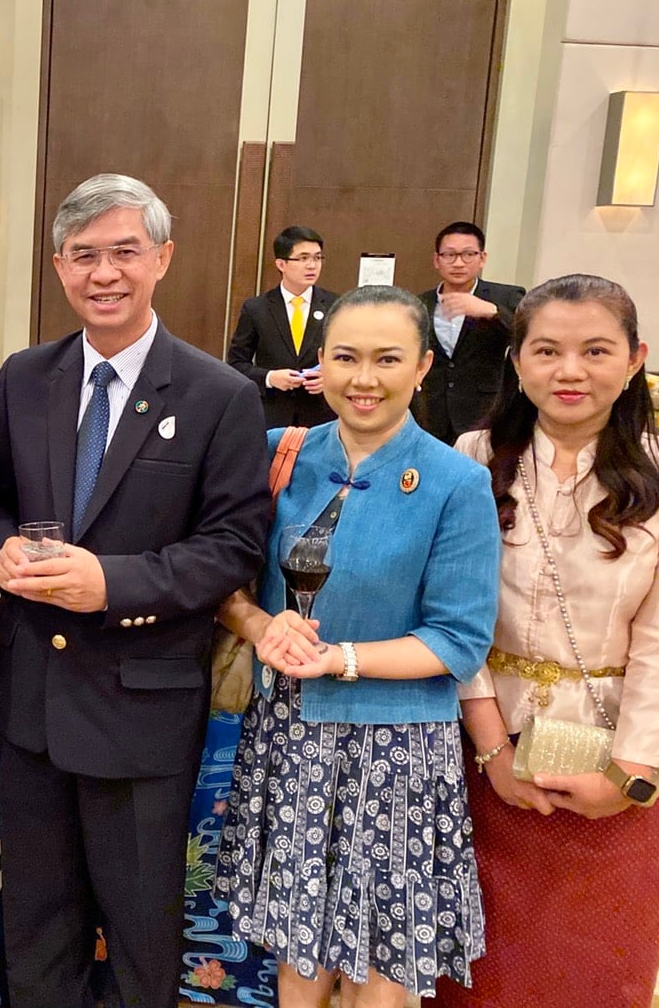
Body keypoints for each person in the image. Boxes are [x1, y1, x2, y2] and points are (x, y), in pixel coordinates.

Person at [0, 173, 271, 1006]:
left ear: (162, 259)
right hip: (30, 707)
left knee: (144, 944)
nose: (103, 273)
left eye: (124, 252)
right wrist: (2, 550)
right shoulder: (25, 376)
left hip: (142, 710)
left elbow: (233, 547)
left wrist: (110, 582)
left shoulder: (220, 395)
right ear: (59, 267)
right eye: (83, 255)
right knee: (36, 935)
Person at [215, 285, 500, 1007]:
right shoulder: (280, 454)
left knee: (380, 958)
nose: (363, 379)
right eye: (345, 357)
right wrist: (259, 626)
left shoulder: (457, 481)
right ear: (322, 362)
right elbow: (224, 582)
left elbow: (459, 639)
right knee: (298, 946)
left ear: (423, 367)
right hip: (287, 733)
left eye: (387, 359)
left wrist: (339, 659)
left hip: (395, 747)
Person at [435, 274, 659, 1008]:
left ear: (636, 359)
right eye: (546, 350)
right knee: (474, 971)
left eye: (596, 350)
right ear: (517, 361)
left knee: (592, 967)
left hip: (619, 753)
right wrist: (493, 751)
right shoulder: (474, 455)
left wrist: (630, 776)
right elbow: (453, 610)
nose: (570, 371)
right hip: (478, 749)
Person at [417, 222, 526, 446]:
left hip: (483, 413)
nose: (458, 263)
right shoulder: (420, 303)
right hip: (431, 415)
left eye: (468, 254)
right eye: (449, 255)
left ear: (482, 258)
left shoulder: (505, 297)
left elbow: (528, 337)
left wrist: (492, 312)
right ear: (437, 260)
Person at [227, 224, 338, 428]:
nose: (312, 265)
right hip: (272, 418)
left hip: (321, 418)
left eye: (317, 258)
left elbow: (351, 360)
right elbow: (236, 364)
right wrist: (270, 377)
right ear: (281, 264)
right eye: (303, 258)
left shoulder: (336, 306)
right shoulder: (256, 308)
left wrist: (330, 379)